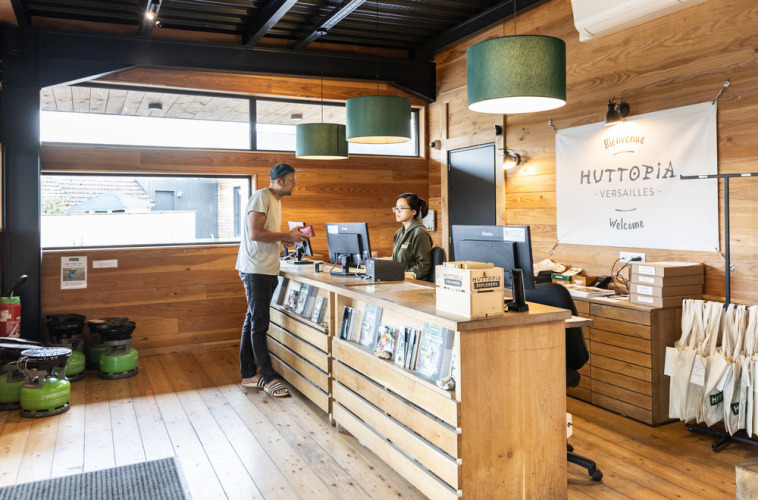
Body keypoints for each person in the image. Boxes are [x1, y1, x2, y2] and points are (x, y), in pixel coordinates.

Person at [236, 163, 309, 397]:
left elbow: (265, 234)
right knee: (259, 324)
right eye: (291, 181)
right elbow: (255, 233)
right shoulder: (261, 197)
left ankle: (248, 374)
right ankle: (268, 377)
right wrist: (286, 235)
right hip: (256, 269)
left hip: (265, 268)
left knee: (252, 320)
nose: (294, 184)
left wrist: (282, 239)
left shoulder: (275, 201)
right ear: (279, 181)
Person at [391, 193, 433, 281]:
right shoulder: (398, 233)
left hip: (414, 283)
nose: (397, 211)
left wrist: (404, 275)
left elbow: (424, 265)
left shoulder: (420, 233)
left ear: (413, 212)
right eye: (396, 208)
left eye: (402, 208)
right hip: (399, 280)